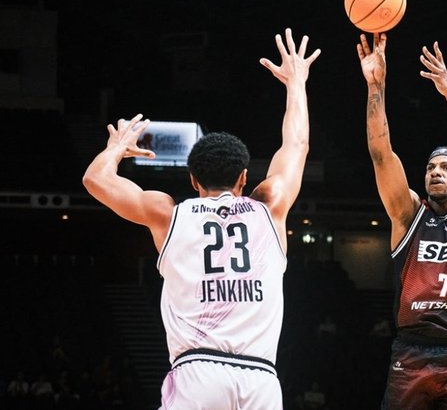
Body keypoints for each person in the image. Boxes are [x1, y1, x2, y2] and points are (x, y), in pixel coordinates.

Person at [83, 28, 321, 410]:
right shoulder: (270, 206)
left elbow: (95, 180)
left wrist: (115, 149)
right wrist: (297, 82)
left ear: (192, 180)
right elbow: (296, 145)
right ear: (244, 177)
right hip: (259, 377)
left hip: (197, 372)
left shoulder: (168, 214)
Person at [357, 32, 447, 409]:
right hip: (412, 353)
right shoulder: (408, 216)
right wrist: (376, 87)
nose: (435, 172)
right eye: (430, 167)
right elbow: (380, 153)